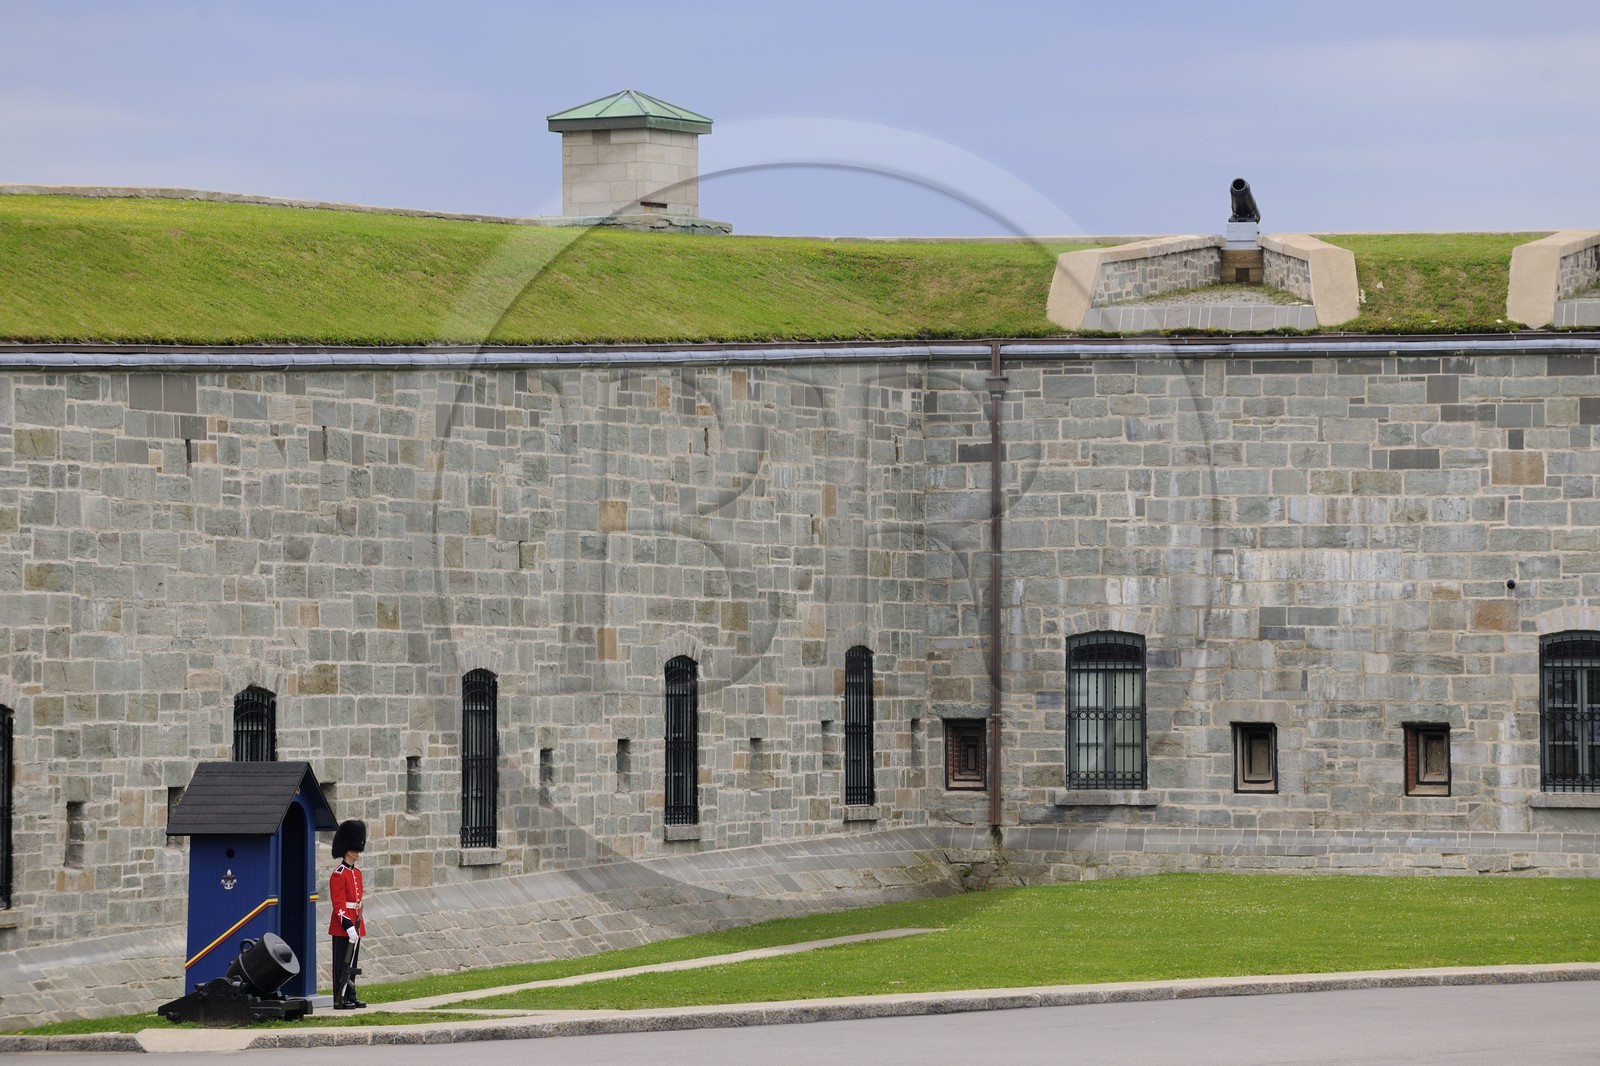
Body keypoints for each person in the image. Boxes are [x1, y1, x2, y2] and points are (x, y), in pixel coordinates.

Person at [328, 819, 368, 1009]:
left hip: (357, 922)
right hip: (343, 925)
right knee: (340, 965)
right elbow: (339, 905)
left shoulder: (357, 873)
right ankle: (339, 998)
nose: (357, 853)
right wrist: (348, 925)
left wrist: (357, 923)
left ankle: (350, 994)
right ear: (347, 850)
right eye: (355, 850)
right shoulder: (338, 873)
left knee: (352, 963)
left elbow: (358, 900)